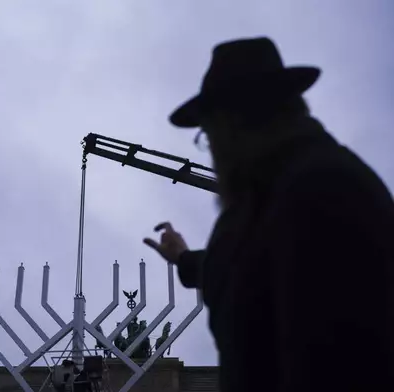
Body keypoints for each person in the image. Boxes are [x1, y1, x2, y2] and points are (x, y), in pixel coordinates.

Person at [144, 37, 394, 392]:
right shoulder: (267, 196)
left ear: (236, 123)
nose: (211, 148)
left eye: (210, 134)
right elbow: (254, 263)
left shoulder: (325, 187)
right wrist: (183, 258)